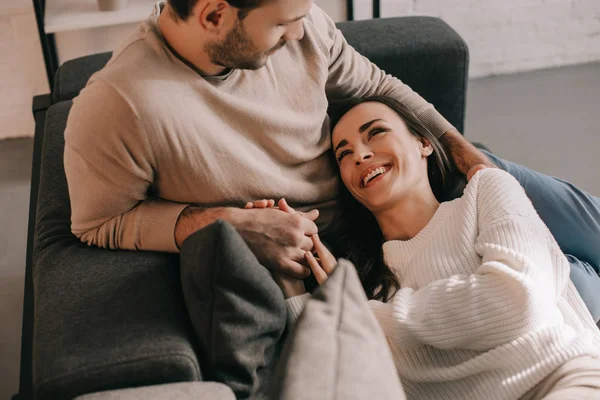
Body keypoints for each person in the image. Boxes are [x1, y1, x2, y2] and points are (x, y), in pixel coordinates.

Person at [63, 0, 600, 317]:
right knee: (569, 282)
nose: (300, 31)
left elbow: (379, 84)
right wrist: (220, 223)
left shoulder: (305, 26)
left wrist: (464, 156)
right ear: (213, 15)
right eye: (281, 23)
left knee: (578, 221)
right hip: (355, 249)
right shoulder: (121, 105)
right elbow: (100, 223)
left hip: (399, 179)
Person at [272, 95, 600, 399]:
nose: (360, 154)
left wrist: (364, 314)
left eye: (375, 132)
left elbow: (516, 301)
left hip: (564, 380)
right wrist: (286, 269)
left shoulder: (487, 189)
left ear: (423, 142)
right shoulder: (366, 285)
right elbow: (338, 374)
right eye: (344, 153)